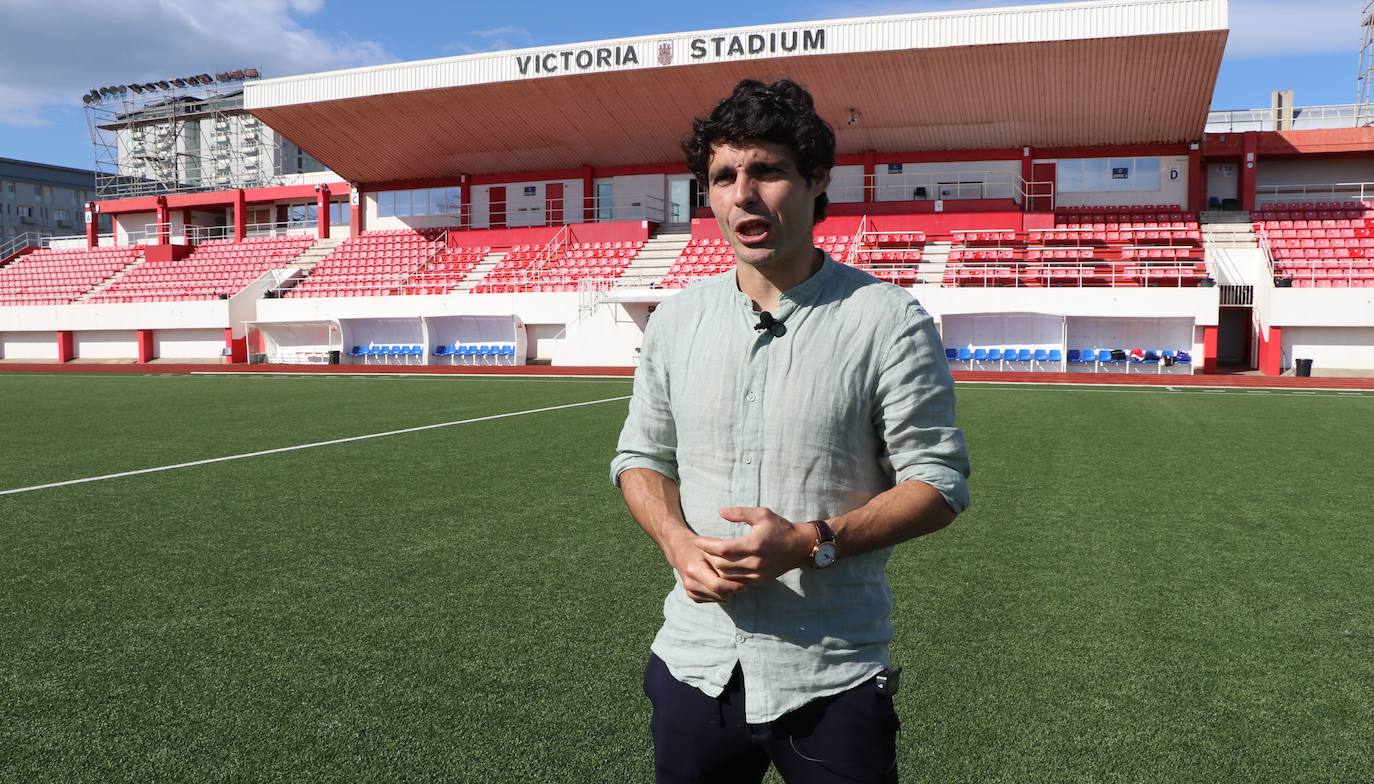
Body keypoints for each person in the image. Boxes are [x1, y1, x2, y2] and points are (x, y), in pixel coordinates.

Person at [611, 78, 971, 784]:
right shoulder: (676, 322)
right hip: (694, 666)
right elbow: (640, 457)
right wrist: (675, 540)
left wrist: (811, 542)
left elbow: (939, 481)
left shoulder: (887, 320)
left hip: (830, 676)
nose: (743, 193)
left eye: (766, 170)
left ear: (815, 180)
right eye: (723, 176)